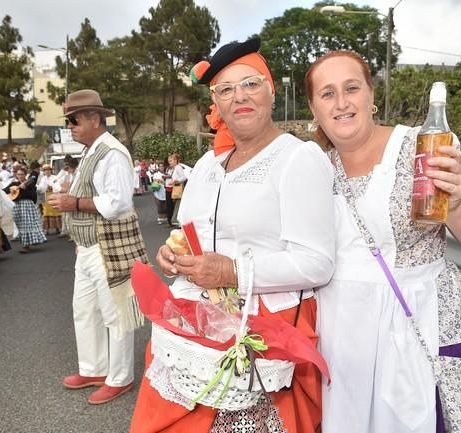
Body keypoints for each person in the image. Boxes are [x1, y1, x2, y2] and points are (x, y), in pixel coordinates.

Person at [130, 37, 336, 433]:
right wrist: (174, 256)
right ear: (217, 105)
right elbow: (187, 230)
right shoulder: (208, 163)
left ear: (271, 90)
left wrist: (232, 271)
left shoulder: (297, 157)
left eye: (251, 84)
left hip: (265, 329)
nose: (239, 96)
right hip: (194, 320)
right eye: (226, 90)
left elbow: (318, 263)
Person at [305, 51, 461, 433]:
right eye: (327, 94)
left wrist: (457, 206)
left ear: (371, 96)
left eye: (352, 88)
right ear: (314, 109)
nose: (342, 102)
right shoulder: (314, 168)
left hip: (420, 328)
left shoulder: (424, 146)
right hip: (344, 344)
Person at [47, 89, 148, 405]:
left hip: (108, 246)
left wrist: (72, 202)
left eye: (74, 120)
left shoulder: (112, 153)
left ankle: (120, 378)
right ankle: (94, 368)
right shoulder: (92, 151)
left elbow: (118, 203)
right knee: (85, 310)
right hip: (88, 246)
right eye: (69, 121)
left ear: (94, 118)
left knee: (116, 313)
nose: (71, 126)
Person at [3, 166, 47, 253]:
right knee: (19, 225)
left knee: (27, 224)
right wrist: (13, 190)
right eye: (18, 174)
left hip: (27, 206)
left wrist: (24, 190)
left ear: (25, 175)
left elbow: (33, 196)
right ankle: (27, 243)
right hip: (17, 206)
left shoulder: (30, 184)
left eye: (22, 174)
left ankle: (26, 246)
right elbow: (4, 191)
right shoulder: (13, 184)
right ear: (16, 175)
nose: (20, 176)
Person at [37, 164, 62, 235]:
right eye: (45, 170)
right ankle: (46, 229)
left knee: (56, 211)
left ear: (51, 171)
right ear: (44, 172)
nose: (47, 172)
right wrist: (45, 188)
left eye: (48, 170)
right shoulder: (43, 178)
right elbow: (40, 188)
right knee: (46, 212)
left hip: (54, 195)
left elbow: (58, 186)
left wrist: (52, 187)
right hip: (46, 197)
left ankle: (58, 228)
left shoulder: (55, 177)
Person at [164, 153, 186, 227]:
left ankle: (179, 223)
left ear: (175, 160)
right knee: (176, 205)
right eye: (169, 161)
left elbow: (183, 177)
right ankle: (178, 223)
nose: (169, 162)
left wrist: (175, 181)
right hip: (175, 188)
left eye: (170, 161)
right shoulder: (175, 168)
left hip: (178, 188)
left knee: (178, 206)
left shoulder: (178, 167)